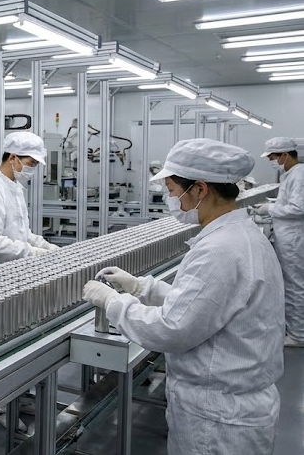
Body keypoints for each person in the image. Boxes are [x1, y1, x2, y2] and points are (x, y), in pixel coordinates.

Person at [83, 138, 284, 455]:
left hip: (217, 420)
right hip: (230, 405)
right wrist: (141, 288)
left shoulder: (220, 249)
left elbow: (171, 329)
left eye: (173, 190)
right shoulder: (239, 235)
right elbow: (202, 305)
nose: (170, 199)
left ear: (200, 189)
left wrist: (113, 303)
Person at [0, 131, 57, 270]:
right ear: (12, 157)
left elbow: (22, 233)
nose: (32, 169)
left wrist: (45, 246)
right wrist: (33, 253)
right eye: (31, 163)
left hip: (16, 268)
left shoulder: (15, 188)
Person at [256, 137, 304, 347]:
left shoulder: (299, 176)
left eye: (272, 158)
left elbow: (299, 208)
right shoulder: (292, 174)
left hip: (293, 239)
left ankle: (298, 335)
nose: (271, 162)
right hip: (289, 236)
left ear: (285, 155)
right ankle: (296, 328)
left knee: (294, 286)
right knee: (293, 283)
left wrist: (270, 209)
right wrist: (272, 207)